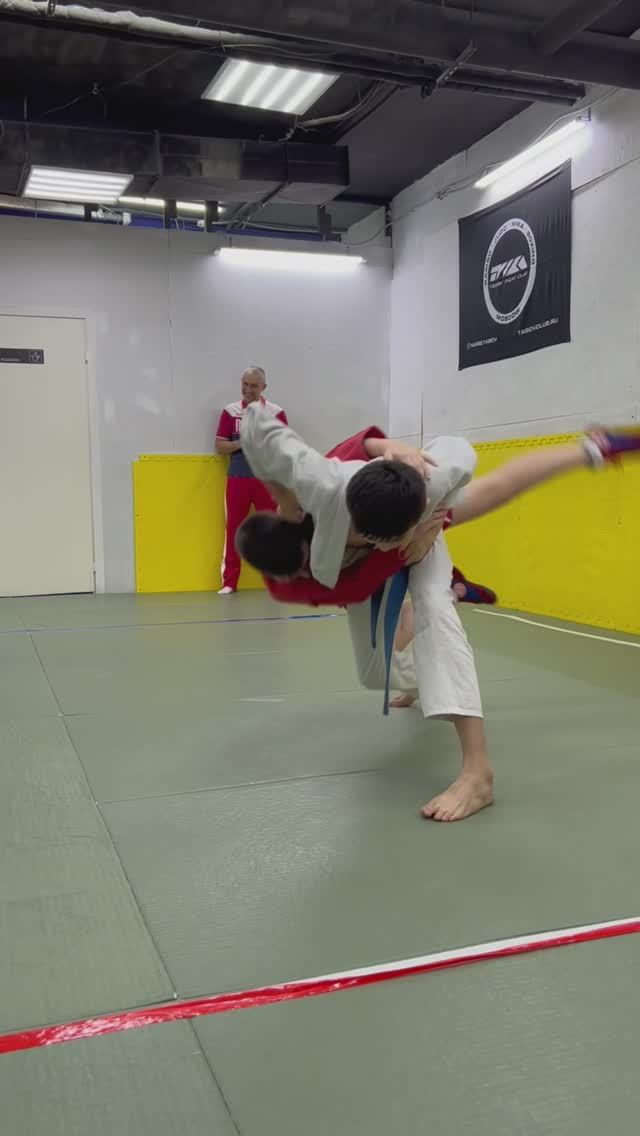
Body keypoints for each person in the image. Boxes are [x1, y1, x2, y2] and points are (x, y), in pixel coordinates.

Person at [237, 413, 640, 821]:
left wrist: (397, 462)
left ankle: (477, 773)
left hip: (421, 529)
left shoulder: (427, 483)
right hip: (378, 546)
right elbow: (255, 429)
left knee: (434, 604)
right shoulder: (317, 490)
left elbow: (495, 479)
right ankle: (446, 612)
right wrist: (286, 496)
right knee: (375, 675)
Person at [214, 366, 288, 595]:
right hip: (237, 480)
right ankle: (229, 582)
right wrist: (242, 442)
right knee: (233, 530)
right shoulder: (231, 412)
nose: (247, 389)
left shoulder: (276, 413)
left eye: (253, 385)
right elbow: (220, 446)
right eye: (245, 384)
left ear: (263, 387)